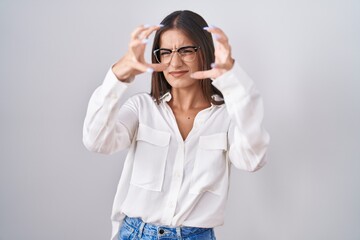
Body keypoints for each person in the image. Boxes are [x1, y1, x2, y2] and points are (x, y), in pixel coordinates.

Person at [83, 10, 270, 240]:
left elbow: (253, 159)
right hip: (136, 234)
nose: (175, 62)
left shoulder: (227, 117)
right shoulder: (142, 108)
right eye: (166, 52)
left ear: (204, 51)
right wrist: (120, 72)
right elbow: (96, 141)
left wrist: (234, 81)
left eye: (186, 50)